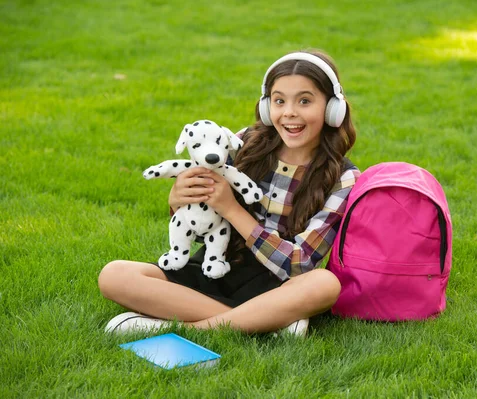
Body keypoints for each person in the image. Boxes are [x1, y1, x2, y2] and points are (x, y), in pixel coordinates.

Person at [98, 50, 361, 336]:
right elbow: (201, 228)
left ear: (332, 107)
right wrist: (178, 203)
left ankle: (192, 328)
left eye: (305, 101)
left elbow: (299, 265)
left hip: (277, 288)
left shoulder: (342, 177)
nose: (289, 113)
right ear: (265, 105)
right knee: (114, 275)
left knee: (324, 283)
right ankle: (264, 324)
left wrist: (232, 210)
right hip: (216, 264)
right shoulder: (246, 142)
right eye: (279, 100)